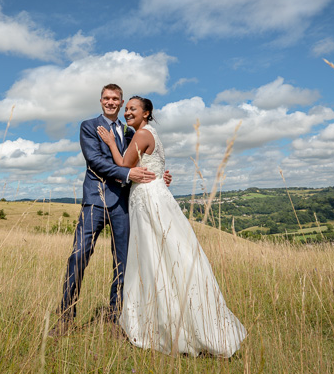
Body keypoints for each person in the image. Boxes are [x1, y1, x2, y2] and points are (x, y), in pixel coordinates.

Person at [96, 96, 247, 357]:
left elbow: (123, 164)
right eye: (127, 108)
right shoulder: (151, 132)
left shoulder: (142, 134)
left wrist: (111, 142)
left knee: (153, 256)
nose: (128, 112)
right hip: (154, 194)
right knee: (161, 256)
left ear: (146, 113)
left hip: (147, 197)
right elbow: (153, 166)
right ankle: (166, 317)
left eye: (133, 108)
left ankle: (167, 324)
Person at [50, 84, 170, 337]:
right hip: (95, 200)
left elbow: (139, 159)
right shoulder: (89, 126)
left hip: (123, 205)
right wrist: (127, 173)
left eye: (116, 99)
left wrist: (157, 176)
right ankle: (65, 318)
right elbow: (95, 161)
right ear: (101, 100)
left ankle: (116, 318)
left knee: (123, 262)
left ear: (121, 101)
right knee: (78, 256)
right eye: (107, 98)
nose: (111, 102)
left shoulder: (130, 131)